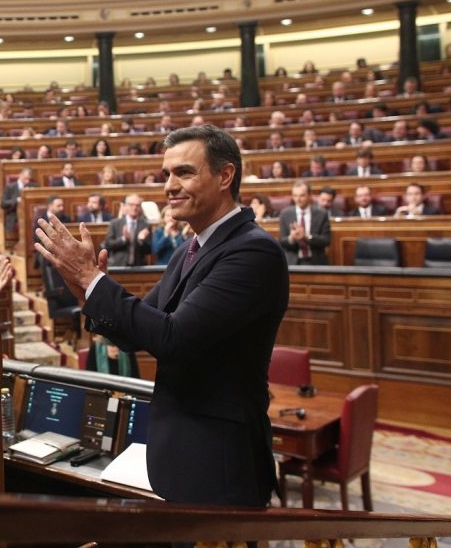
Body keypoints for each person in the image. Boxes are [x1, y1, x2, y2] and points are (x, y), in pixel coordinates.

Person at [34, 125, 288, 507]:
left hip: (218, 457)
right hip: (183, 449)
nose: (169, 186)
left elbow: (175, 339)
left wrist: (94, 280)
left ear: (225, 176)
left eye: (184, 172)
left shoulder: (252, 252)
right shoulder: (192, 247)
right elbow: (137, 334)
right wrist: (84, 286)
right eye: (166, 174)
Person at [279, 180, 331, 266]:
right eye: (295, 196)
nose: (298, 199)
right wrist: (292, 238)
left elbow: (326, 240)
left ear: (310, 195)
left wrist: (307, 237)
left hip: (316, 261)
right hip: (293, 262)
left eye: (302, 195)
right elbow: (282, 241)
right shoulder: (285, 214)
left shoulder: (321, 214)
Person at [103, 194, 151, 267]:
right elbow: (108, 245)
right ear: (125, 206)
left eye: (137, 205)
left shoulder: (145, 225)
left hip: (138, 267)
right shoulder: (115, 223)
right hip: (118, 266)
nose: (135, 208)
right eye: (131, 205)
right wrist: (124, 239)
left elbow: (149, 250)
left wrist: (141, 240)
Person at [0, 167, 37, 234]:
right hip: (14, 216)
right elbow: (3, 203)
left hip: (30, 216)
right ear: (20, 175)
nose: (27, 181)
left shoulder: (34, 186)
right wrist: (17, 200)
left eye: (29, 179)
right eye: (26, 178)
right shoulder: (10, 187)